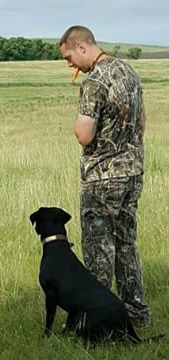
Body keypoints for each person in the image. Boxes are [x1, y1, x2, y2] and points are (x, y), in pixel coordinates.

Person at [59, 25, 150, 327]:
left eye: (69, 57)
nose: (70, 65)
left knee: (99, 250)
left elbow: (84, 135)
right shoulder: (129, 71)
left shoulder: (95, 81)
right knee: (127, 244)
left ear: (82, 47)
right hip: (133, 172)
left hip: (102, 179)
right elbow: (142, 122)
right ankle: (136, 314)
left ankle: (98, 321)